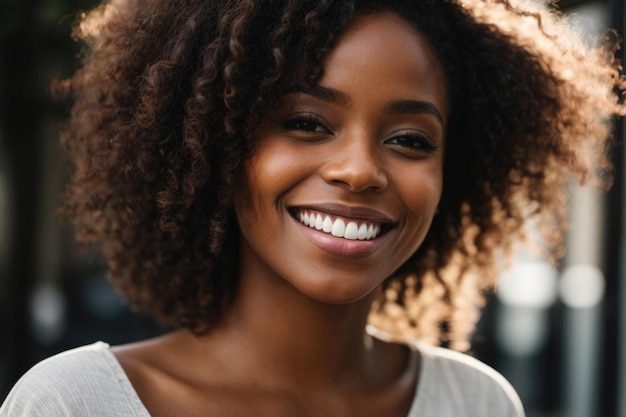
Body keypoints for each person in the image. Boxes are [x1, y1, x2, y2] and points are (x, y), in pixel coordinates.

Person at [2, 0, 624, 415]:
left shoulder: (475, 403)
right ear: (215, 145)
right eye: (305, 122)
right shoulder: (77, 403)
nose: (358, 170)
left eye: (410, 139)